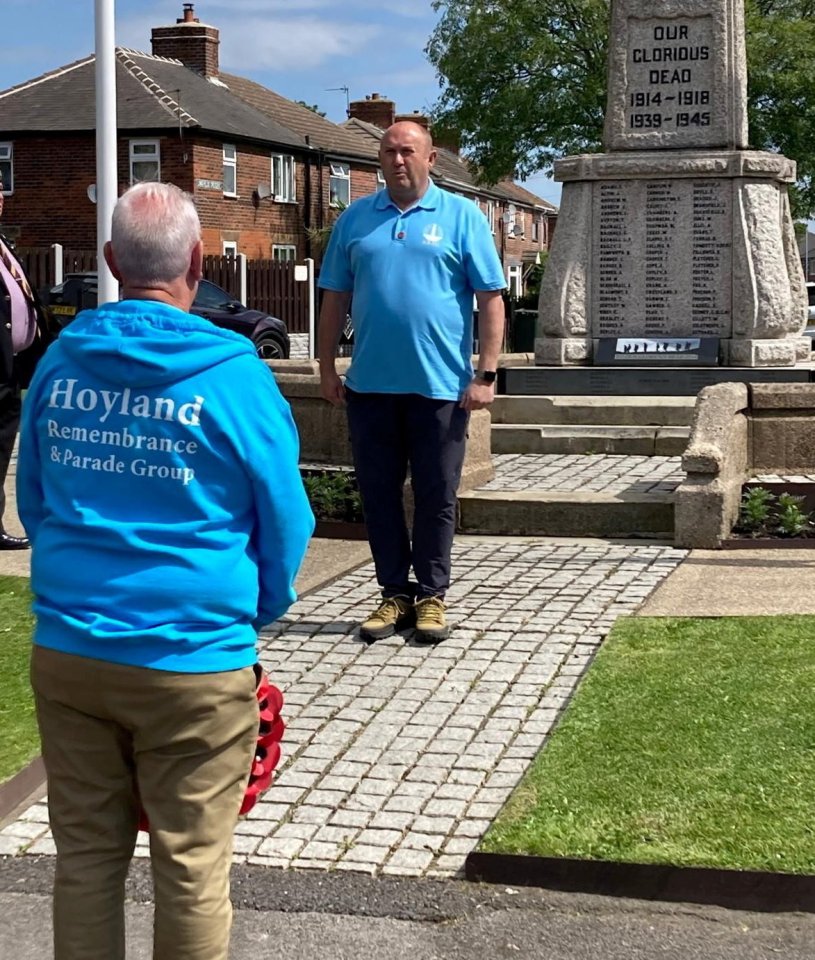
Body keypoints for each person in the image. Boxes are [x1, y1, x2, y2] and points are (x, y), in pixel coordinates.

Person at [17, 181, 314, 960]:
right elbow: (285, 515)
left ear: (113, 260)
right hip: (194, 658)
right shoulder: (234, 373)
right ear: (197, 260)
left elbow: (35, 495)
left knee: (85, 857)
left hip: (73, 648)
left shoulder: (61, 361)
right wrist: (262, 607)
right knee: (190, 866)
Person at [318, 120, 506, 643]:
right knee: (377, 494)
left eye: (407, 151)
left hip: (441, 390)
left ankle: (432, 595)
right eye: (388, 152)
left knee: (436, 494)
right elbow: (333, 297)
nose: (397, 160)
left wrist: (485, 374)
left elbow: (491, 300)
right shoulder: (356, 220)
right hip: (371, 387)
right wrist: (327, 366)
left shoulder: (461, 217)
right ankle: (393, 593)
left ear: (430, 160)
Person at [0, 175, 52, 549]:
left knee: (2, 448)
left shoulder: (3, 244)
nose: (0, 201)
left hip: (12, 367)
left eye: (0, 195)